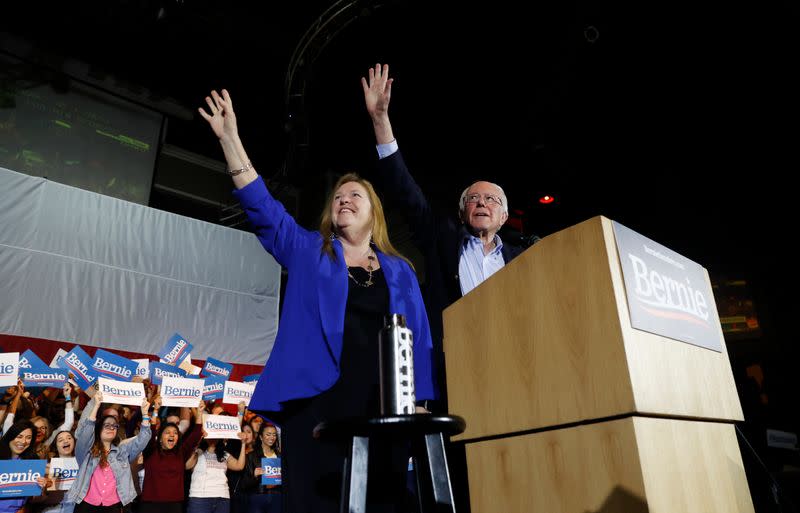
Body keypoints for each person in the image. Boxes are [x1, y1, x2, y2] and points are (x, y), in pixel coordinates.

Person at [199, 89, 435, 513]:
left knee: (384, 500)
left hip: (382, 402)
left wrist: (418, 401)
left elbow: (419, 338)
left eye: (355, 196)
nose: (344, 199)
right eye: (338, 197)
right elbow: (262, 207)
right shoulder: (309, 251)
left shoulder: (400, 270)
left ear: (373, 213)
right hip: (318, 400)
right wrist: (230, 139)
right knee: (316, 501)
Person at [362, 63, 529, 407]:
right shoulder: (443, 239)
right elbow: (405, 190)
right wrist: (381, 119)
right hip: (452, 368)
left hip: (512, 366)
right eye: (473, 198)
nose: (481, 202)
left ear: (505, 216)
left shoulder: (523, 260)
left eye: (491, 199)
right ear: (462, 210)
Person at [66, 392, 152, 513]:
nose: (111, 428)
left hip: (114, 507)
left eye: (114, 426)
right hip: (87, 505)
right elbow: (86, 433)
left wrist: (144, 413)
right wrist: (96, 405)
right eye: (106, 425)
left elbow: (143, 439)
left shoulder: (122, 452)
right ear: (99, 429)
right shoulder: (87, 452)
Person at [139, 399, 204, 513]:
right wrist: (155, 410)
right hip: (151, 505)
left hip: (174, 505)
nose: (172, 435)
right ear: (160, 438)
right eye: (167, 432)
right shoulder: (151, 451)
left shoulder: (181, 452)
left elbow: (196, 434)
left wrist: (199, 412)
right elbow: (150, 433)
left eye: (175, 433)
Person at [0, 420, 48, 513]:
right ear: (11, 436)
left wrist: (42, 488)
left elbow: (35, 499)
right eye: (19, 436)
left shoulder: (33, 461)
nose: (23, 441)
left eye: (28, 438)